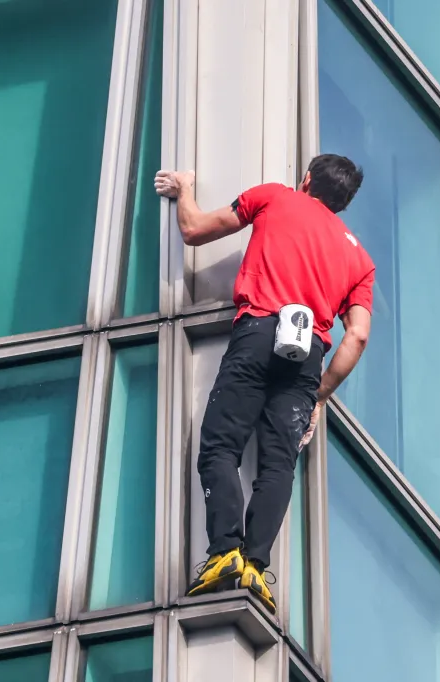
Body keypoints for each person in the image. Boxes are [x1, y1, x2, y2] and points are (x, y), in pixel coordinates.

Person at [154, 154, 374, 614]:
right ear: (345, 203)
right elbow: (356, 335)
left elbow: (194, 229)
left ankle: (224, 554)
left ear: (307, 179)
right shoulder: (360, 258)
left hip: (258, 331)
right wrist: (319, 394)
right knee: (277, 466)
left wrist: (185, 188)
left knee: (220, 447)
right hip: (307, 356)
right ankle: (256, 566)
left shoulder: (275, 196)